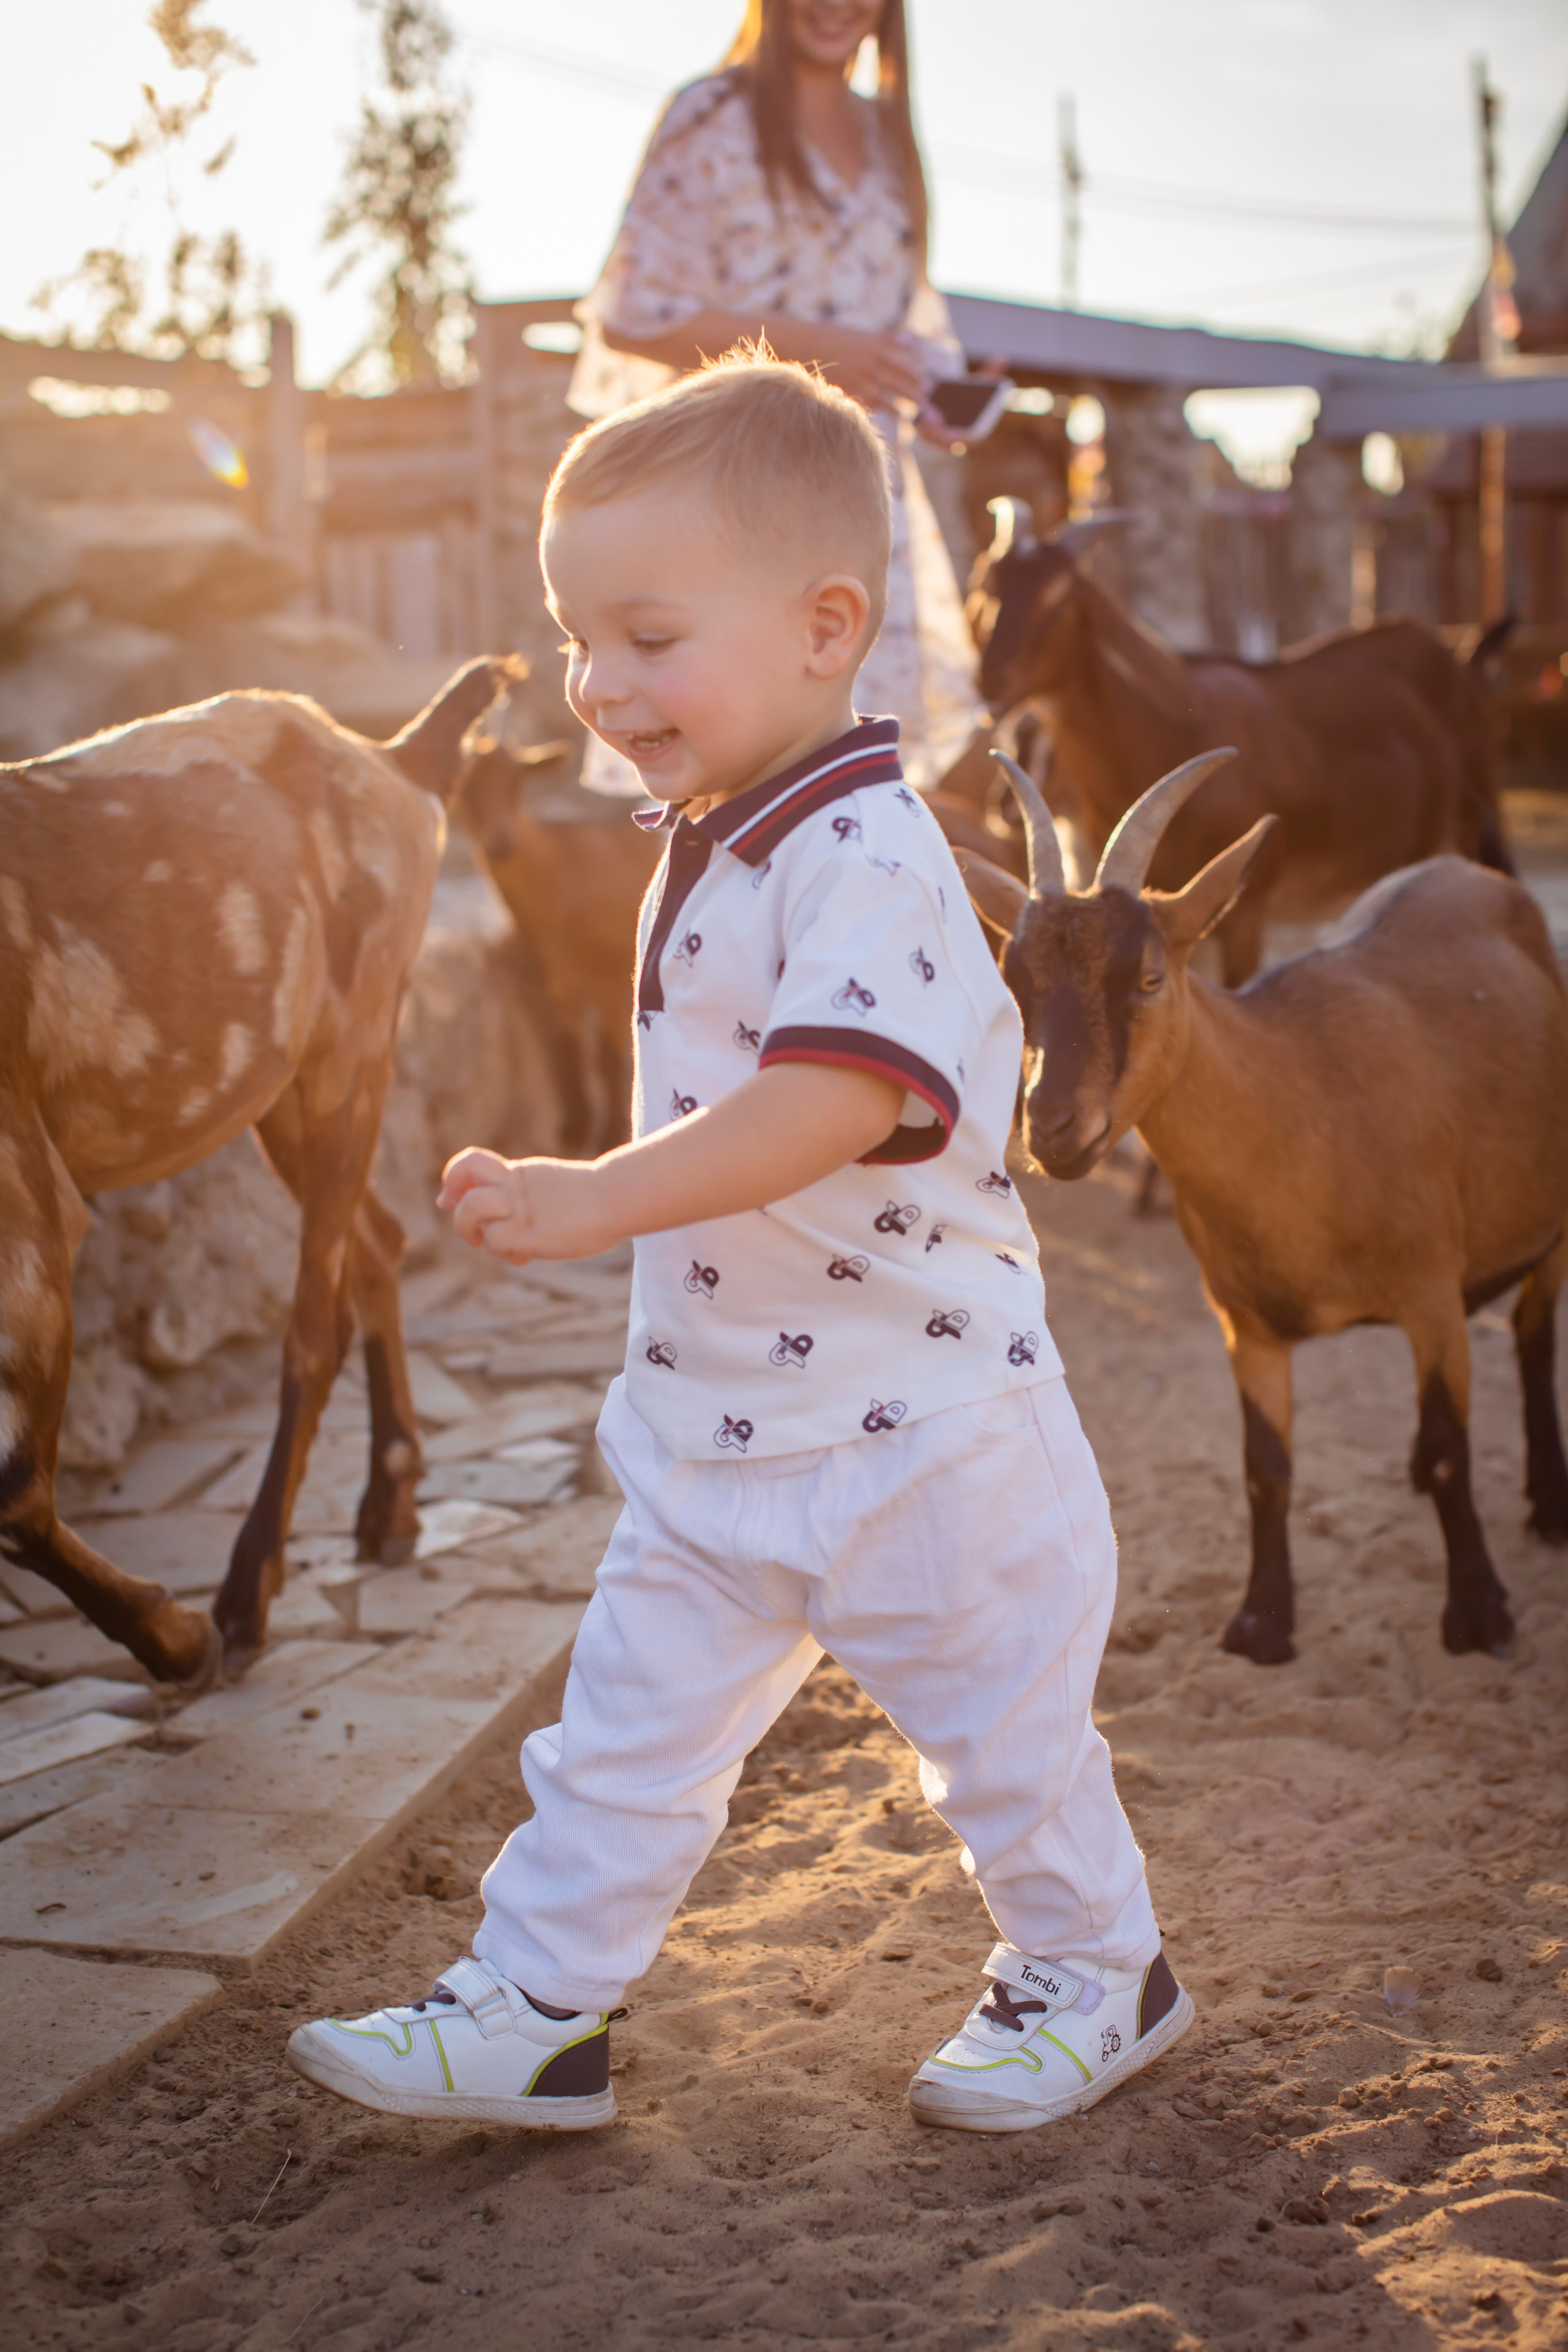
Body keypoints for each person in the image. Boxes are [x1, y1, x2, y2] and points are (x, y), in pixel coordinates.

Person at [287, 353, 1191, 2138]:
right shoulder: (723, 835)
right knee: (619, 1744)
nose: (597, 686)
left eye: (644, 637)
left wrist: (592, 1193)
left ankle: (1101, 1977)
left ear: (824, 624)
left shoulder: (872, 854)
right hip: (719, 1432)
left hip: (927, 1439)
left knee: (1005, 1754)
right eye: (575, 641)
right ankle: (537, 2011)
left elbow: (834, 1100)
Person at [568, 0, 981, 794]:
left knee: (864, 786)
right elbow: (634, 309)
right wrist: (829, 354)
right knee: (734, 784)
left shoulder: (888, 136)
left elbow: (907, 324)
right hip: (735, 494)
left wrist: (929, 388)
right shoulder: (711, 116)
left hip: (861, 502)